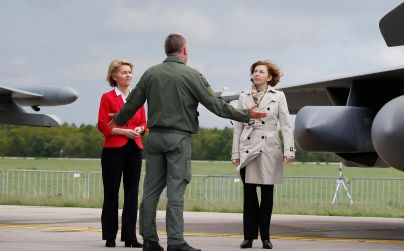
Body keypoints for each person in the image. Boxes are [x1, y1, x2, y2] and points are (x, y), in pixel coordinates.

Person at [110, 33, 267, 251]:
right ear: (184, 51)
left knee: (150, 191)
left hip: (154, 138)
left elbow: (133, 101)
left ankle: (149, 240)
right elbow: (215, 104)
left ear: (167, 50)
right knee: (176, 190)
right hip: (178, 138)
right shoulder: (192, 75)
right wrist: (245, 114)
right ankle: (175, 241)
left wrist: (117, 119)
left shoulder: (150, 73)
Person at [231, 60, 295, 249]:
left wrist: (288, 150)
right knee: (249, 194)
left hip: (270, 147)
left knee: (267, 193)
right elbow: (237, 126)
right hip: (248, 146)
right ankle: (249, 237)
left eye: (261, 71)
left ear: (269, 77)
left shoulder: (279, 96)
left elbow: (286, 125)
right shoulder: (244, 96)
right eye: (254, 71)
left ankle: (266, 237)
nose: (256, 74)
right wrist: (235, 152)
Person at [97, 59, 147, 248]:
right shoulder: (107, 98)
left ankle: (130, 237)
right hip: (113, 150)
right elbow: (103, 125)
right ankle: (110, 236)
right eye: (124, 72)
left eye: (130, 72)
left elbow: (144, 122)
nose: (128, 75)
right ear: (114, 76)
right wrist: (123, 131)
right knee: (111, 192)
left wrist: (140, 128)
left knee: (132, 193)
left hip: (134, 148)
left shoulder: (137, 97)